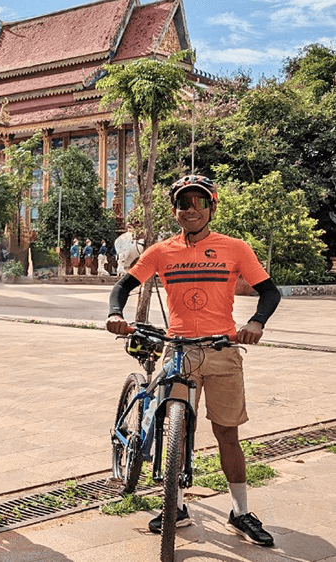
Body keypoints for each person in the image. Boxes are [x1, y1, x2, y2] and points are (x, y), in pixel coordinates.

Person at [106, 174, 281, 547]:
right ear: (175, 211)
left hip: (223, 351)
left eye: (199, 202)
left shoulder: (235, 248)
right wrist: (114, 314)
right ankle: (178, 507)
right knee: (178, 429)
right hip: (178, 350)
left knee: (227, 433)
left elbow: (269, 292)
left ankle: (240, 511)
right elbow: (123, 286)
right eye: (184, 204)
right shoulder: (161, 251)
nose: (191, 210)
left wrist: (255, 322)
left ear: (212, 206)